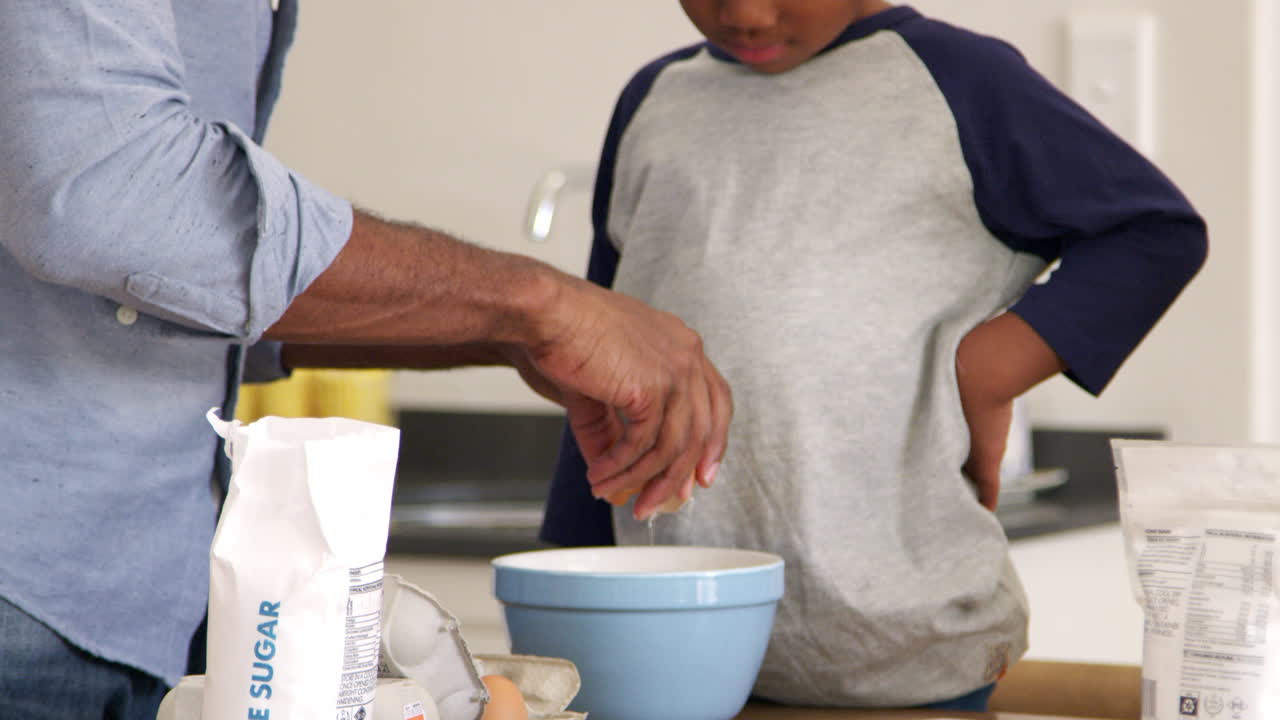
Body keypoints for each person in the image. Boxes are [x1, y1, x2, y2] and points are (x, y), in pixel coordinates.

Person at [0, 1, 731, 718]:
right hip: (26, 605)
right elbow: (111, 194)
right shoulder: (662, 102)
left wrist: (505, 331)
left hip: (137, 612)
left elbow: (172, 285)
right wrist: (538, 304)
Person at [541, 0, 1208, 711]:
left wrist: (986, 371)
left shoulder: (963, 82)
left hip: (904, 652)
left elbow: (1154, 233)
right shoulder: (655, 100)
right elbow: (602, 356)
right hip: (671, 648)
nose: (742, 11)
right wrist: (562, 569)